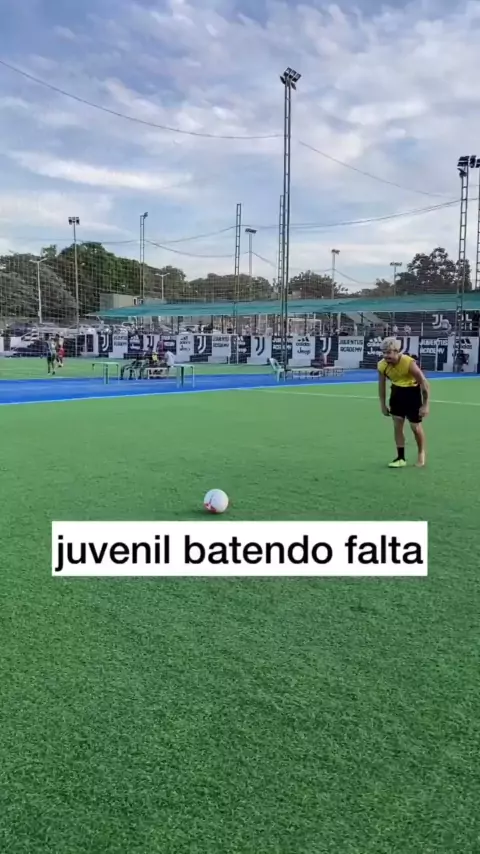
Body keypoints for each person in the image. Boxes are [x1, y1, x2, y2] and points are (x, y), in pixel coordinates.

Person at [378, 337, 429, 468]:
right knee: (397, 426)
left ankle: (421, 453)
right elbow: (381, 386)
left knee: (415, 427)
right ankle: (400, 458)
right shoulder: (382, 365)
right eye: (384, 352)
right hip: (396, 393)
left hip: (412, 393)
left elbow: (424, 383)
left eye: (388, 352)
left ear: (397, 351)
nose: (386, 356)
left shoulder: (408, 362)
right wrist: (382, 405)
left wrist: (425, 404)